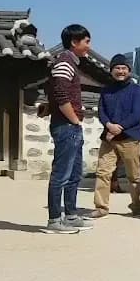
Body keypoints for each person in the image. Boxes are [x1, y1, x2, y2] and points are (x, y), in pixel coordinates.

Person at [42, 24, 94, 234]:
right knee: (61, 174)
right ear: (74, 42)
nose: (89, 46)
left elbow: (53, 91)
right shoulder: (65, 62)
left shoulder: (70, 62)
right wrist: (75, 120)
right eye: (86, 41)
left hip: (69, 126)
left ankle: (71, 215)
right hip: (66, 126)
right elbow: (60, 93)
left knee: (74, 174)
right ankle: (54, 220)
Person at [91, 54, 140, 219]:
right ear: (111, 70)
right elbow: (102, 112)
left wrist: (119, 127)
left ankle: (136, 206)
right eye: (117, 68)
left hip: (130, 138)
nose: (120, 71)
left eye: (124, 68)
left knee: (134, 176)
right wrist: (109, 125)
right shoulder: (106, 90)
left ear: (129, 71)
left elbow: (137, 114)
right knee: (103, 172)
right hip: (109, 138)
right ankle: (101, 207)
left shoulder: (136, 90)